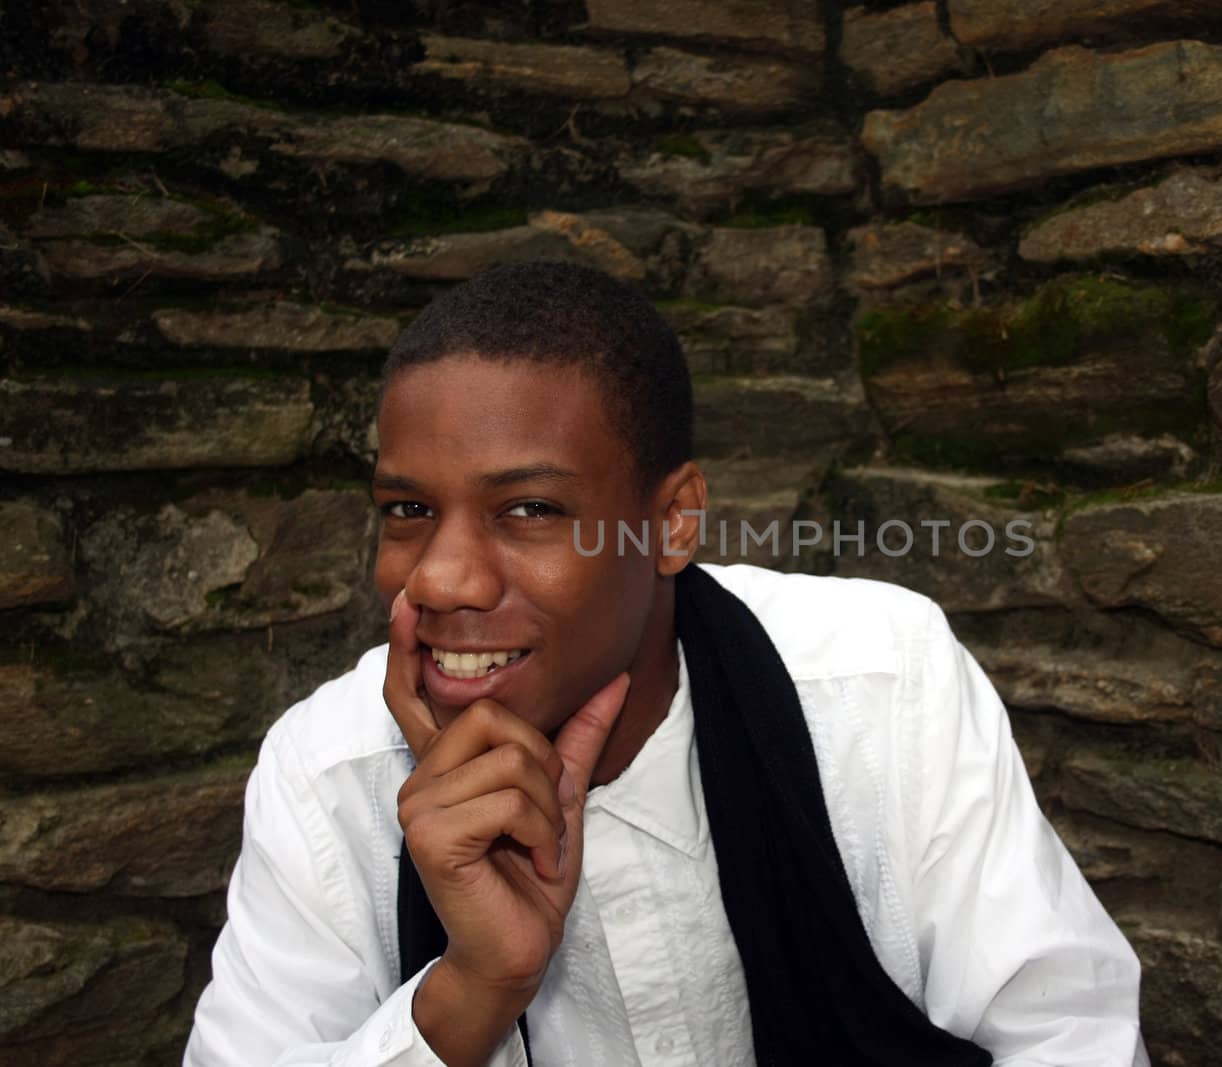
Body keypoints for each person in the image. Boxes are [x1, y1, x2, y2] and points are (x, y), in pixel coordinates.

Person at [184, 262, 1148, 1067]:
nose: (439, 578)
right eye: (407, 510)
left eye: (529, 510)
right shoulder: (327, 780)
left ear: (672, 520)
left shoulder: (879, 684)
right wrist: (471, 988)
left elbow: (1071, 1034)